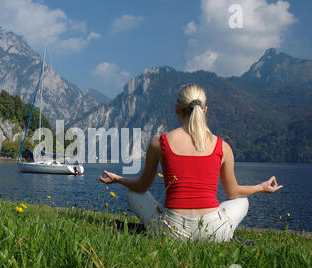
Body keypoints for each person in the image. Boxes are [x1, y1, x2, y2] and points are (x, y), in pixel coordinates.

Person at [97, 84, 283, 242]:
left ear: (177, 109)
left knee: (133, 194)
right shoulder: (223, 146)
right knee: (242, 201)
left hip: (170, 232)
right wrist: (261, 187)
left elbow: (141, 187)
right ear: (205, 110)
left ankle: (149, 229)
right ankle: (227, 235)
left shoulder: (159, 144)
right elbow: (233, 192)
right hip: (214, 232)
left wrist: (118, 179)